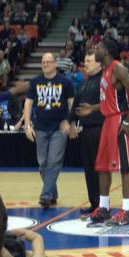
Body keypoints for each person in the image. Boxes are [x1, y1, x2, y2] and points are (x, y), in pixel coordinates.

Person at [78, 38, 129, 227]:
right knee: (102, 167)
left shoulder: (117, 68)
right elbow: (109, 101)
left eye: (98, 47)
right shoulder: (105, 71)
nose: (95, 49)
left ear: (105, 52)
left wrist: (128, 120)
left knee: (125, 167)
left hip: (119, 120)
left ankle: (127, 211)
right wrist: (93, 108)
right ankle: (104, 208)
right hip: (107, 120)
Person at [23, 53, 75, 208]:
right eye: (43, 62)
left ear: (55, 64)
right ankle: (52, 194)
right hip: (40, 128)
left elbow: (72, 104)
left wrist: (71, 123)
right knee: (43, 164)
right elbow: (28, 104)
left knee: (53, 162)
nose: (45, 64)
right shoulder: (35, 82)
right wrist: (27, 126)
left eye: (48, 62)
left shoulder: (66, 82)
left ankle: (45, 196)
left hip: (59, 128)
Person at [67, 55, 103, 217]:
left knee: (99, 169)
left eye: (89, 61)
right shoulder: (84, 83)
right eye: (85, 61)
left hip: (100, 128)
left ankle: (103, 205)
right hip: (86, 130)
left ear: (99, 64)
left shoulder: (104, 81)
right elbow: (75, 106)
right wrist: (70, 122)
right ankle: (94, 203)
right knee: (89, 168)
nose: (85, 63)